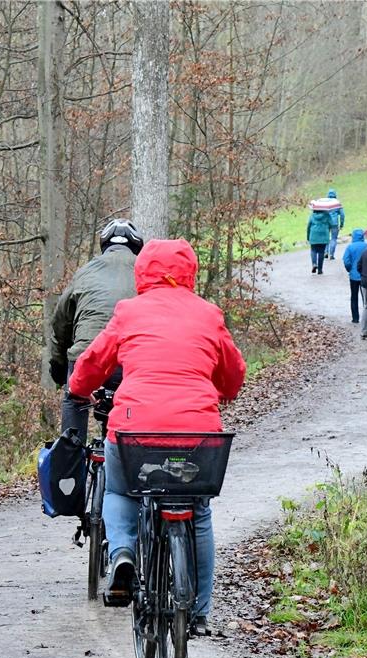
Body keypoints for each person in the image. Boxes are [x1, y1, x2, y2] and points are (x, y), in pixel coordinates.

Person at [68, 238, 245, 636]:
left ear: (141, 272)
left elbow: (93, 361)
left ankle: (125, 554)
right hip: (198, 435)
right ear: (189, 273)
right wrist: (223, 391)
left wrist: (79, 390)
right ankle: (198, 612)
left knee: (118, 492)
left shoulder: (129, 312)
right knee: (197, 512)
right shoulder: (208, 314)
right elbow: (233, 374)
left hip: (134, 429)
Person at [47, 218, 140, 439]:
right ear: (137, 247)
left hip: (86, 356)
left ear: (104, 245)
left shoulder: (85, 272)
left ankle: (69, 466)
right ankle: (128, 457)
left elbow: (61, 324)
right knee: (137, 403)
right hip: (130, 358)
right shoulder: (146, 273)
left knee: (74, 398)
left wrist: (59, 369)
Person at [341, 228, 367, 325]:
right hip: (365, 275)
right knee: (366, 297)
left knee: (354, 296)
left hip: (354, 275)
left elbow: (346, 260)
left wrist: (350, 269)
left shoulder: (350, 247)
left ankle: (355, 318)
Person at [306, 208, 332, 274]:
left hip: (313, 235)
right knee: (321, 252)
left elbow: (308, 227)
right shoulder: (327, 215)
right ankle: (320, 270)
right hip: (323, 236)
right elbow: (331, 224)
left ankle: (314, 264)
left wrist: (308, 237)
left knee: (313, 250)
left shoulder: (312, 216)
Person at [324, 190, 346, 260]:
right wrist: (341, 224)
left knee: (326, 238)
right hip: (334, 224)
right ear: (335, 195)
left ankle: (325, 252)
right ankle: (331, 255)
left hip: (326, 223)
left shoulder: (325, 203)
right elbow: (342, 215)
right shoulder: (337, 203)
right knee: (333, 239)